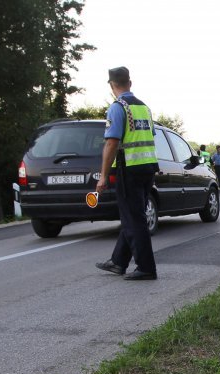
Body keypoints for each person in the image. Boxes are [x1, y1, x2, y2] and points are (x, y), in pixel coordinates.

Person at [94, 66, 159, 280]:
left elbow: (112, 143)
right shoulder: (144, 108)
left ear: (112, 86)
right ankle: (118, 261)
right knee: (133, 215)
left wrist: (103, 175)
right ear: (130, 83)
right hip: (148, 167)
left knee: (134, 218)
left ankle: (146, 267)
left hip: (129, 169)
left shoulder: (117, 107)